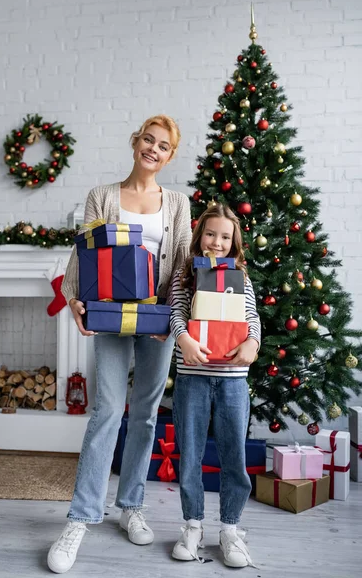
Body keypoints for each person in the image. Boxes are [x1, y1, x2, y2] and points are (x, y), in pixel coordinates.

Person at [47, 115, 192, 574]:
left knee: (146, 414)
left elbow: (185, 262)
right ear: (135, 143)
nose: (153, 149)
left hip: (157, 320)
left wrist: (174, 318)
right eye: (148, 140)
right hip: (109, 317)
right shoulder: (102, 196)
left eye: (163, 145)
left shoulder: (177, 203)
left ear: (170, 156)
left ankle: (131, 505)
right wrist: (74, 298)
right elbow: (84, 254)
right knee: (108, 410)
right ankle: (80, 518)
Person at [169, 203, 261, 569]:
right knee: (189, 452)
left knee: (233, 456)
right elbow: (176, 311)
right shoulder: (184, 274)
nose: (217, 242)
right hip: (192, 375)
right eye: (210, 234)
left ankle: (230, 528)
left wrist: (252, 344)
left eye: (225, 236)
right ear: (199, 236)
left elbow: (251, 317)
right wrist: (184, 339)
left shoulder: (241, 275)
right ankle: (192, 525)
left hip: (233, 380)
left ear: (234, 241)